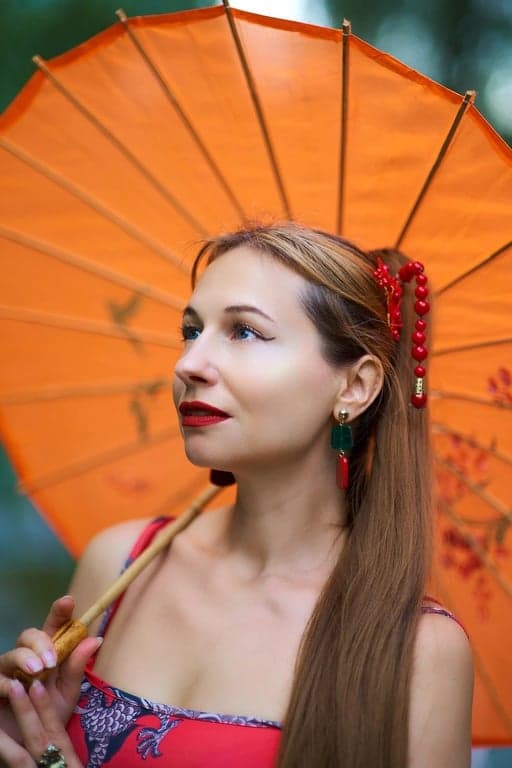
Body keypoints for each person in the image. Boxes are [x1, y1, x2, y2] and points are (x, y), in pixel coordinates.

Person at [0, 222, 473, 768]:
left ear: (355, 386)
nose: (188, 364)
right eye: (191, 330)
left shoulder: (415, 650)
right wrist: (29, 727)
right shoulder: (122, 565)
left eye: (244, 332)